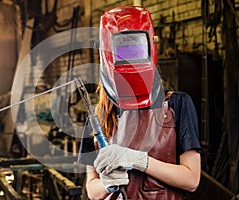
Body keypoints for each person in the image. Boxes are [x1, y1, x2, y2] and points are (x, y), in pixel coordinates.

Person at [78, 6, 201, 199]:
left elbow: (191, 179)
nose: (130, 61)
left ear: (151, 47)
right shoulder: (97, 118)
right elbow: (92, 191)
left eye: (136, 50)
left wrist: (140, 161)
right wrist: (106, 183)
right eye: (122, 52)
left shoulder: (178, 105)